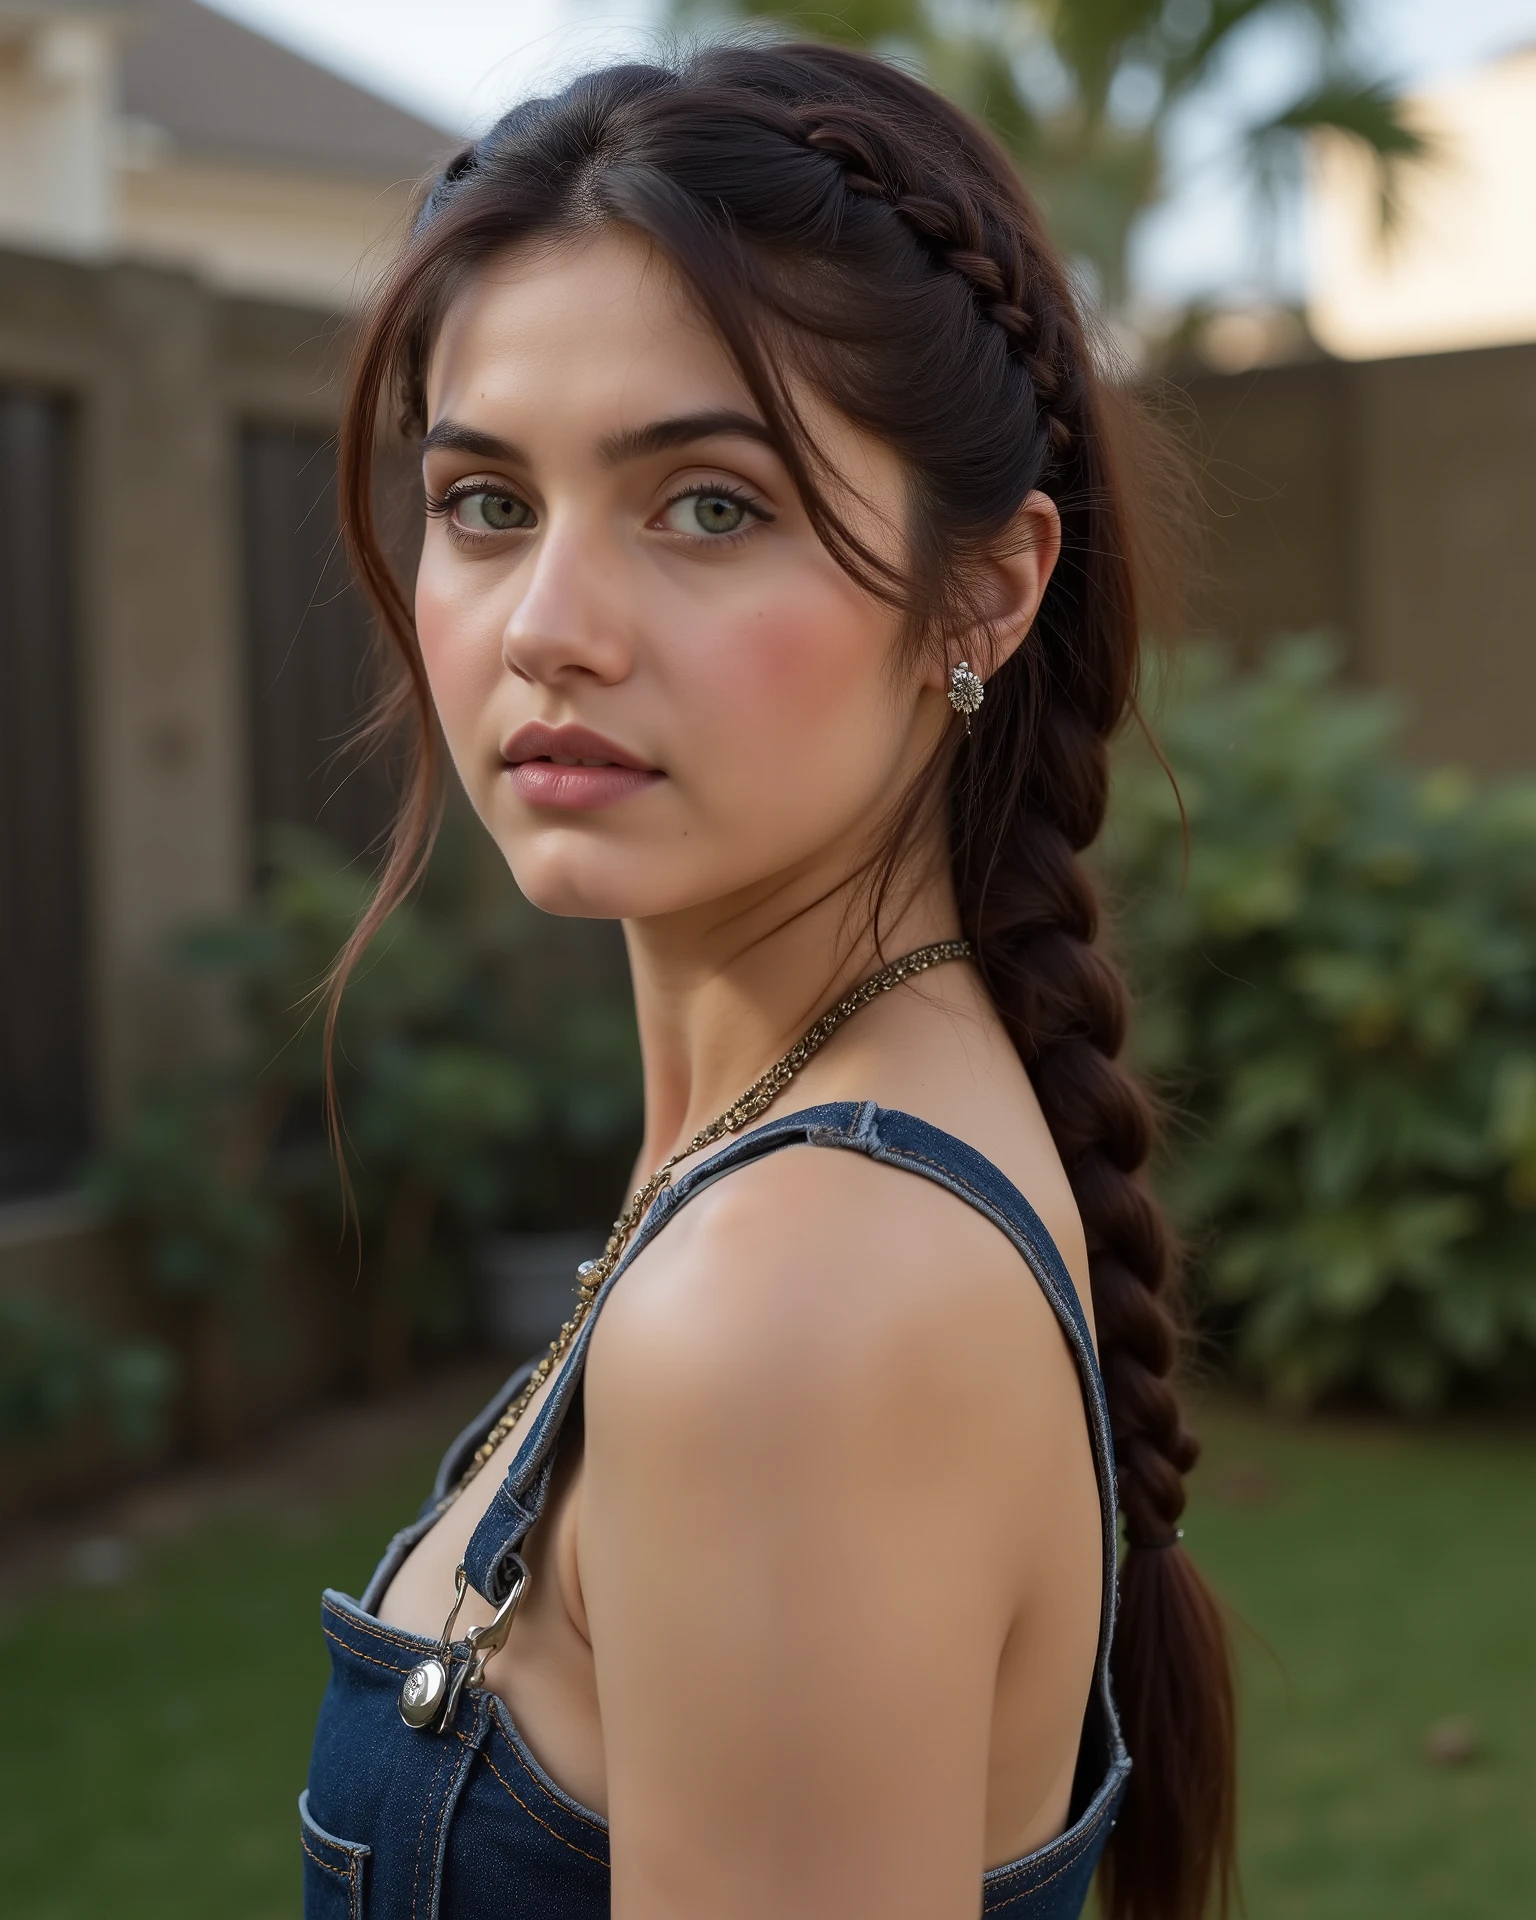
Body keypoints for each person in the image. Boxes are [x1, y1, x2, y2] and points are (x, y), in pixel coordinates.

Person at [301, 41, 1234, 1920]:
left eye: (708, 505)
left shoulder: (789, 1306)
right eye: (487, 502)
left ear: (982, 592)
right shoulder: (818, 1165)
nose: (548, 628)